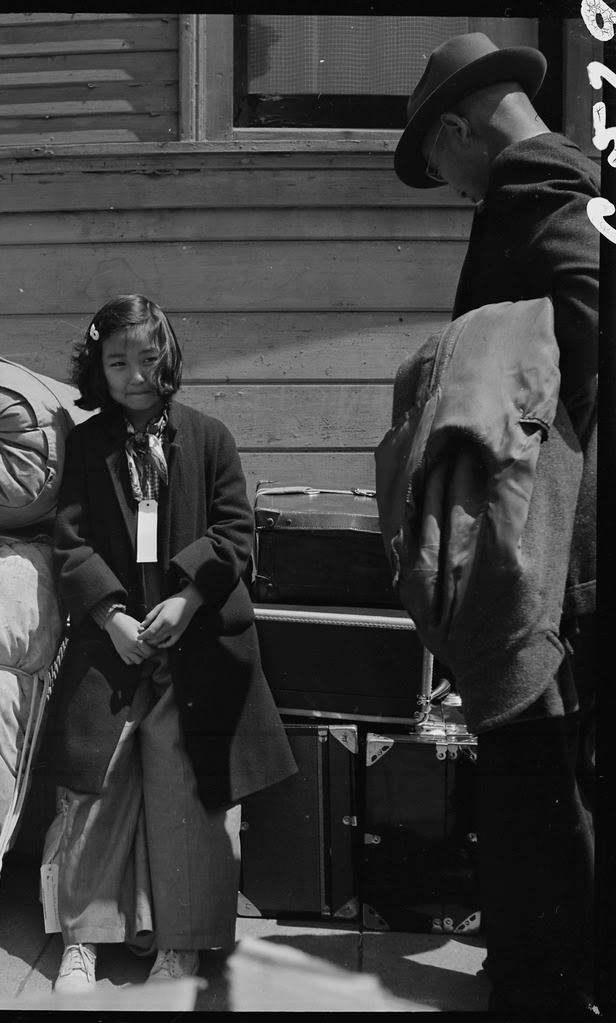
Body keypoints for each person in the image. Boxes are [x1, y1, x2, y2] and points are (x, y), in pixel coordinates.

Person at [393, 32, 599, 1013]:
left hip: (556, 548)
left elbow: (588, 324)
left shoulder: (540, 182)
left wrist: (518, 435)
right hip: (560, 546)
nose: (454, 187)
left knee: (540, 775)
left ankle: (543, 987)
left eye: (443, 168)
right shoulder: (556, 182)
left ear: (461, 130)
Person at [45, 294, 298, 994]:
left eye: (147, 359)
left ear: (169, 359)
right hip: (115, 644)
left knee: (188, 782)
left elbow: (234, 534)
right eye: (117, 360)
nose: (133, 373)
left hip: (197, 644)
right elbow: (69, 541)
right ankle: (84, 937)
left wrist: (189, 599)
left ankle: (181, 943)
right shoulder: (88, 446)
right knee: (96, 781)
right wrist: (112, 618)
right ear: (98, 366)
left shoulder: (209, 437)